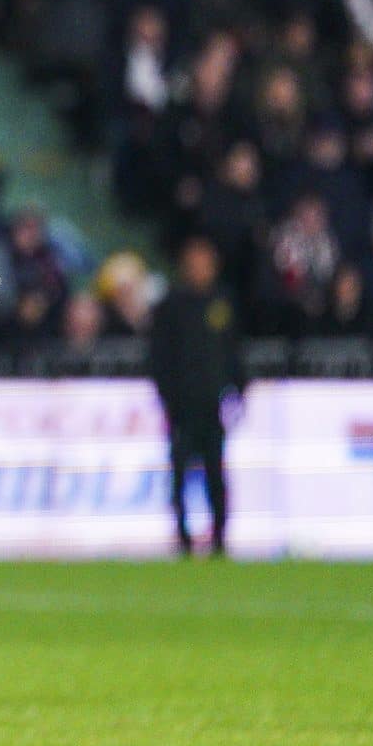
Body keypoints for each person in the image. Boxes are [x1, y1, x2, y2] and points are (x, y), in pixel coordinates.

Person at [148, 236, 245, 556]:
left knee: (216, 474)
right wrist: (168, 397)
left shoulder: (223, 302)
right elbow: (159, 357)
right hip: (182, 406)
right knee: (179, 473)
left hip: (213, 405)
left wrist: (238, 389)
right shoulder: (170, 305)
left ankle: (219, 537)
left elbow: (233, 352)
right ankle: (183, 536)